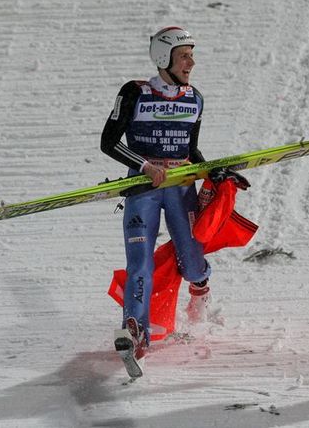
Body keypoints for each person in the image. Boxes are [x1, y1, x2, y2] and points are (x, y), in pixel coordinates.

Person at [100, 26, 249, 378]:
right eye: (184, 55)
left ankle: (200, 290)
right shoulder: (135, 92)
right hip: (143, 190)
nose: (191, 62)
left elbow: (190, 150)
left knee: (192, 263)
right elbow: (109, 142)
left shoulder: (194, 98)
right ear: (164, 58)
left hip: (181, 187)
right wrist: (144, 166)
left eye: (191, 55)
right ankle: (135, 329)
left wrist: (215, 173)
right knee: (140, 263)